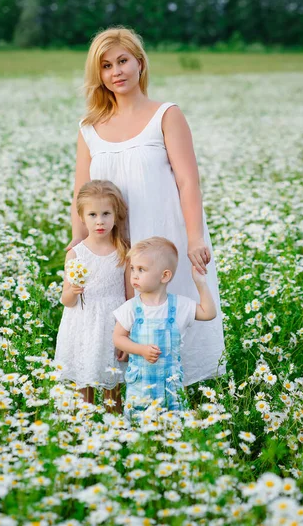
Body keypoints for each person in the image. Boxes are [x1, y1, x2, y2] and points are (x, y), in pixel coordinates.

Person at [68, 26, 225, 386]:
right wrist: (78, 246)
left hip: (161, 232)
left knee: (169, 306)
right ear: (99, 75)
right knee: (111, 313)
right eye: (106, 66)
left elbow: (188, 181)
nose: (116, 72)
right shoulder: (89, 128)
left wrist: (196, 238)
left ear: (139, 63)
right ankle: (115, 396)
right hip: (111, 242)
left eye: (123, 61)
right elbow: (81, 192)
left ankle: (179, 391)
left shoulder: (165, 115)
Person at [112, 237, 217, 417]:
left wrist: (200, 283)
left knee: (173, 427)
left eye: (141, 269)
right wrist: (140, 349)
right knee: (140, 427)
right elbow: (118, 338)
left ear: (164, 276)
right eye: (132, 269)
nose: (134, 275)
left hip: (171, 387)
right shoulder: (131, 308)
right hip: (140, 387)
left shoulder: (179, 306)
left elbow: (209, 313)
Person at [55, 180, 133, 412]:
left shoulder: (123, 251)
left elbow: (130, 298)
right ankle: (85, 425)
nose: (100, 221)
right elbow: (66, 301)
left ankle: (114, 426)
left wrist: (127, 333)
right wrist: (73, 290)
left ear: (116, 214)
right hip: (83, 323)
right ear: (81, 217)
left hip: (113, 323)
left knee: (113, 382)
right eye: (92, 214)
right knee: (84, 376)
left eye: (106, 213)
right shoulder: (76, 254)